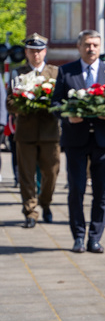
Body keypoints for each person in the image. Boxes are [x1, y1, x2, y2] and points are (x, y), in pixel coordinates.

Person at [51, 29, 105, 253]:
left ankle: (95, 237)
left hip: (103, 140)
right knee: (77, 189)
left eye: (95, 45)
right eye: (87, 44)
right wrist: (68, 116)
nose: (91, 48)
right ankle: (78, 236)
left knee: (101, 192)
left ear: (100, 48)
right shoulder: (66, 72)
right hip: (76, 139)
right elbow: (55, 105)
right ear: (79, 47)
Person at [7, 33, 60, 228]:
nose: (35, 55)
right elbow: (10, 103)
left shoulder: (55, 73)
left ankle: (45, 202)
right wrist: (27, 104)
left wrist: (46, 103)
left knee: (51, 172)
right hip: (26, 132)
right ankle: (30, 211)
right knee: (27, 174)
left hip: (49, 132)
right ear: (26, 53)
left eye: (39, 51)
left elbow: (60, 100)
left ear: (45, 51)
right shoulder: (17, 74)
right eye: (31, 51)